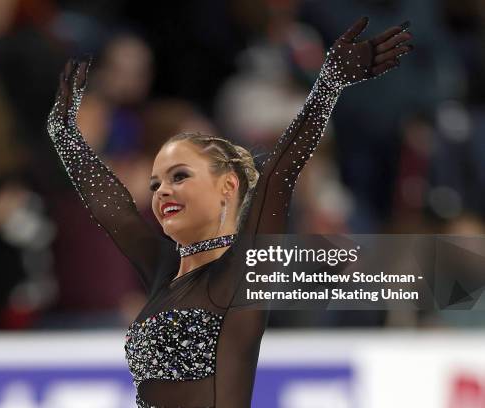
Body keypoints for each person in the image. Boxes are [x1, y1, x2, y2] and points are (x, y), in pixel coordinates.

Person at [47, 16, 413, 408]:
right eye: (157, 182)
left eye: (180, 176)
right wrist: (64, 135)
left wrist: (327, 86)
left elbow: (278, 176)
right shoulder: (164, 270)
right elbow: (117, 211)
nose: (163, 190)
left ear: (227, 188)